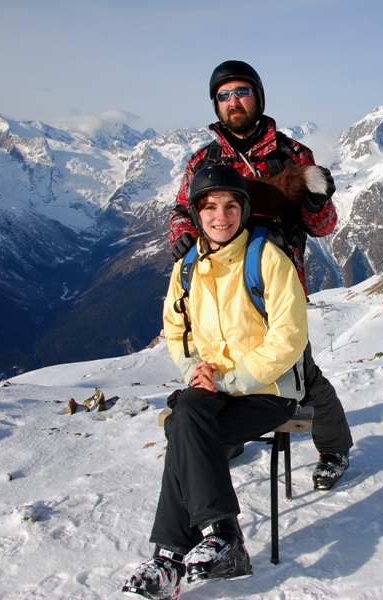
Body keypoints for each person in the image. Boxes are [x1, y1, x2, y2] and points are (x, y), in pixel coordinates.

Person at [123, 165, 310, 599]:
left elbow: (289, 337)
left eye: (230, 206)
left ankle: (170, 558)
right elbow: (177, 329)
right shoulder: (187, 266)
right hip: (213, 389)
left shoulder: (267, 259)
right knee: (187, 418)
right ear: (197, 214)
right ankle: (223, 539)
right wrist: (195, 370)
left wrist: (229, 381)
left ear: (244, 210)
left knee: (183, 427)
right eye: (209, 207)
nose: (220, 216)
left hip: (269, 391)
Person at [167, 60, 352, 490]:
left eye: (241, 92)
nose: (233, 102)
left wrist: (316, 201)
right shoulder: (204, 159)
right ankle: (226, 437)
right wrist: (181, 236)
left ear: (258, 96)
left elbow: (324, 226)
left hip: (276, 282)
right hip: (218, 288)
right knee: (219, 359)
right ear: (216, 104)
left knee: (298, 371)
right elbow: (182, 210)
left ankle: (333, 447)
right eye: (224, 95)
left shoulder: (292, 155)